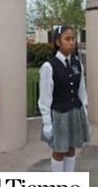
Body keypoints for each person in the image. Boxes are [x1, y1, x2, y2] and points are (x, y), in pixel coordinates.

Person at [38, 25, 89, 172]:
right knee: (59, 151)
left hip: (75, 111)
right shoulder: (49, 66)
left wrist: (84, 111)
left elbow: (82, 90)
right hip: (60, 114)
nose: (72, 42)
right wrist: (47, 122)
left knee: (71, 148)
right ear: (58, 42)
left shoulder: (77, 63)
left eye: (73, 39)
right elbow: (44, 97)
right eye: (67, 39)